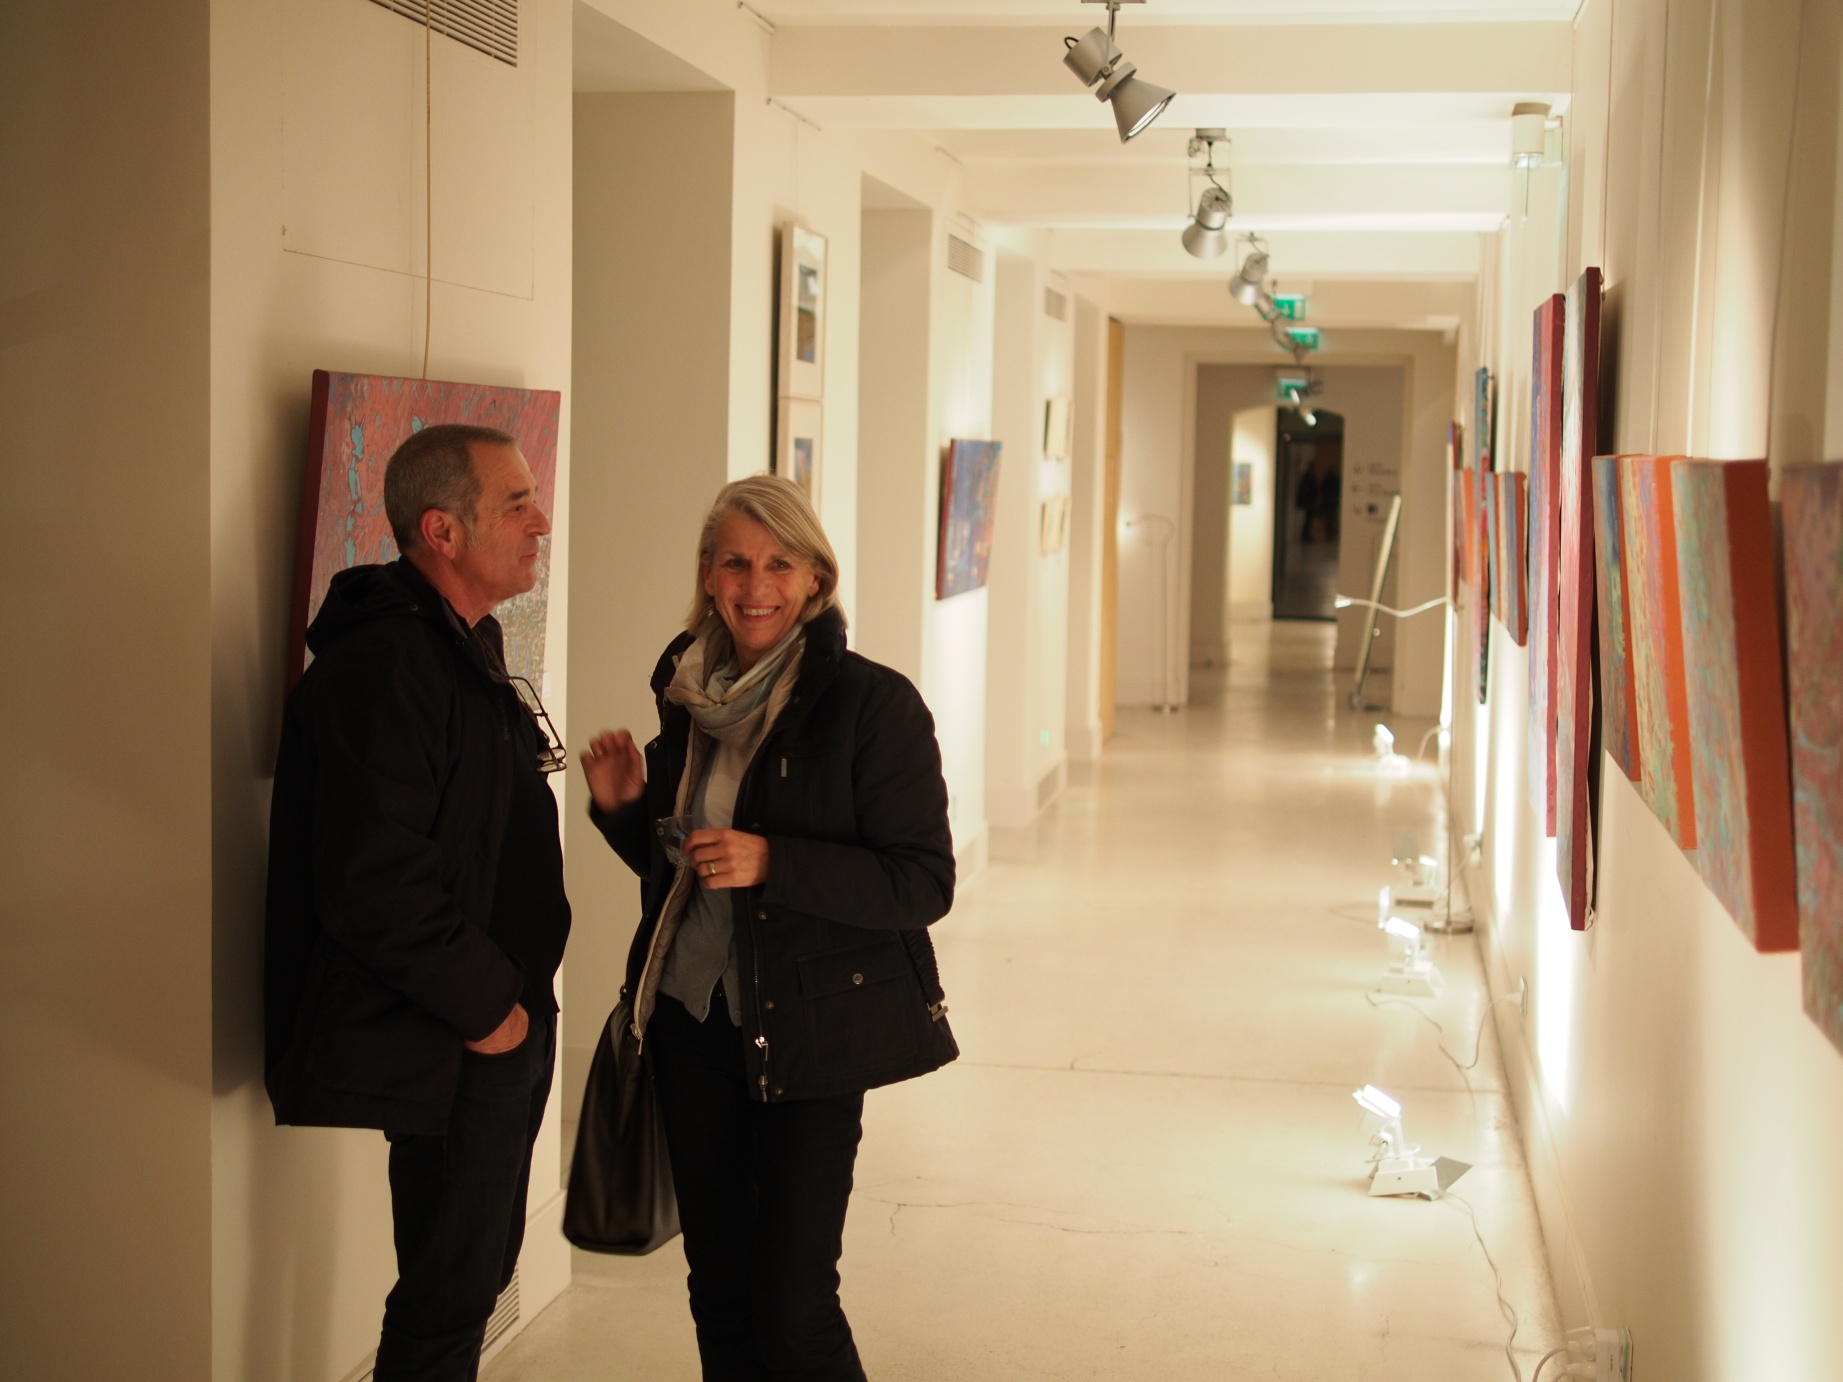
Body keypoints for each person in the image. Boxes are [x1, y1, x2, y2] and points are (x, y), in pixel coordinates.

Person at [581, 475, 958, 1381]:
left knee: (794, 1307)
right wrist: (626, 812)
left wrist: (774, 861)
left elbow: (923, 883)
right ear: (707, 575)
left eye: (779, 564)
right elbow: (688, 875)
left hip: (812, 1035)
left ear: (815, 578)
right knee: (718, 1287)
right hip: (691, 1023)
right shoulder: (687, 693)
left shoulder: (874, 706)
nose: (756, 586)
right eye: (735, 563)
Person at [265, 423, 569, 1382]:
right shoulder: (386, 666)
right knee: (445, 1297)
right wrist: (492, 1016)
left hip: (496, 1020)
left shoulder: (461, 644)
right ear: (442, 530)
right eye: (516, 504)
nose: (541, 522)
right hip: (459, 1035)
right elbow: (373, 882)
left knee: (469, 1280)